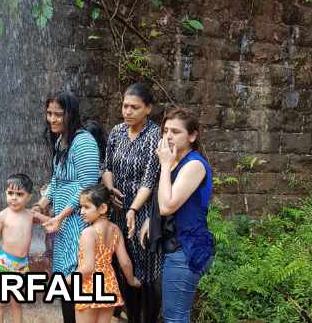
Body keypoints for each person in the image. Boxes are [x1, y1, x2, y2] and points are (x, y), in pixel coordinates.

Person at [33, 91, 100, 323]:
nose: (52, 119)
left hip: (80, 222)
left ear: (70, 115)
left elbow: (88, 186)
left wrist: (60, 216)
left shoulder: (83, 142)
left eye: (58, 114)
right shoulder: (62, 140)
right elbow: (56, 179)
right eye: (49, 113)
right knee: (64, 278)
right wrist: (41, 205)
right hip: (63, 223)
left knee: (77, 278)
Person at [101, 83, 162, 323]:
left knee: (145, 272)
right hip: (117, 211)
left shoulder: (155, 135)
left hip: (143, 212)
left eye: (134, 107)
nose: (128, 111)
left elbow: (150, 177)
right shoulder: (116, 131)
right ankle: (131, 316)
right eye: (125, 106)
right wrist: (108, 186)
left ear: (148, 109)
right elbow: (106, 166)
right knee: (121, 265)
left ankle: (148, 319)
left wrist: (135, 209)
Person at [152, 108, 214, 322]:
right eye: (166, 130)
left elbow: (167, 206)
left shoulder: (194, 165)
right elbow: (161, 201)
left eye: (176, 132)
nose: (168, 136)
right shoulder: (176, 162)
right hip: (175, 248)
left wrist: (165, 165)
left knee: (175, 318)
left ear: (192, 136)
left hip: (186, 249)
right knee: (173, 315)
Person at [0, 173, 49, 323]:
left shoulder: (30, 215)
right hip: (5, 263)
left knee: (17, 301)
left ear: (28, 197)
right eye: (10, 193)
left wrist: (44, 204)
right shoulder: (3, 216)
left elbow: (51, 222)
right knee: (1, 302)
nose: (14, 198)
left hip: (22, 265)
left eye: (19, 194)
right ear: (5, 193)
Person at [74, 185, 141, 323]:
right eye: (81, 207)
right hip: (109, 284)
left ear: (103, 208)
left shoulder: (89, 233)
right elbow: (125, 262)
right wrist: (131, 280)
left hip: (90, 286)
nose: (81, 212)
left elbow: (87, 267)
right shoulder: (115, 229)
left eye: (86, 207)